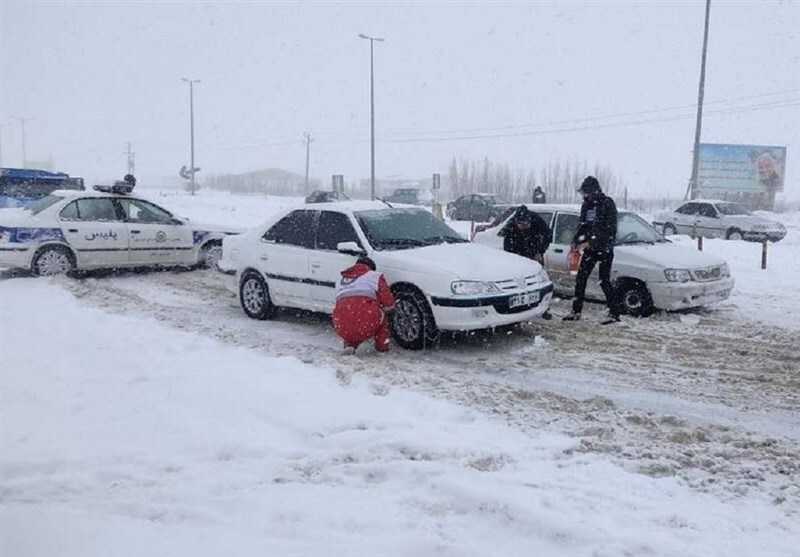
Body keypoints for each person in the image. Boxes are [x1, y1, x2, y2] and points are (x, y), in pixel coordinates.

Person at [562, 176, 619, 324]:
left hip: (604, 248)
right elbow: (582, 225)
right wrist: (576, 241)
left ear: (594, 191)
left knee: (604, 281)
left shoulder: (607, 204)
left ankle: (614, 313)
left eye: (587, 193)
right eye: (583, 193)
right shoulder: (586, 206)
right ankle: (576, 311)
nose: (585, 196)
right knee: (581, 278)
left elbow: (610, 229)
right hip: (589, 249)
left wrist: (593, 241)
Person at [332, 255, 395, 355]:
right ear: (371, 268)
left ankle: (350, 344)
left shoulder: (339, 281)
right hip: (365, 322)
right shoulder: (375, 276)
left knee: (350, 316)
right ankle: (382, 347)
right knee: (383, 315)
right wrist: (391, 309)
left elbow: (342, 304)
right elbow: (388, 302)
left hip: (340, 324)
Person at [503, 205, 553, 319]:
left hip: (534, 250)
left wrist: (540, 252)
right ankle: (517, 307)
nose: (524, 227)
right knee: (518, 282)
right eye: (521, 225)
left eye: (526, 224)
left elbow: (548, 235)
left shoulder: (536, 219)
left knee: (539, 281)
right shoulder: (511, 227)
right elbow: (507, 245)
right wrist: (511, 259)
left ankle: (544, 308)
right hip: (517, 252)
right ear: (516, 222)